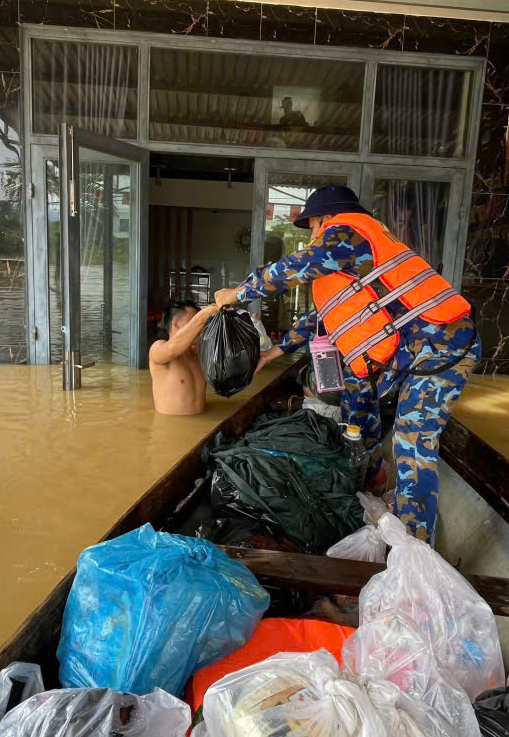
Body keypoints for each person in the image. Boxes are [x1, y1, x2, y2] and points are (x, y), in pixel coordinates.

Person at [214, 185, 479, 541]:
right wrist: (272, 354)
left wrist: (239, 292)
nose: (312, 236)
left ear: (326, 217)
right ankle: (370, 481)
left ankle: (415, 547)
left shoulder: (349, 232)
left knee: (412, 440)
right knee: (357, 413)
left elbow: (297, 266)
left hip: (441, 344)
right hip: (403, 352)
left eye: (312, 226)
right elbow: (318, 318)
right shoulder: (347, 266)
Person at [150, 299, 220, 416]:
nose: (199, 327)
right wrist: (203, 316)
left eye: (200, 323)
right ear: (175, 324)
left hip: (201, 422)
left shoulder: (199, 353)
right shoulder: (157, 348)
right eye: (193, 321)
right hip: (171, 425)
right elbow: (172, 349)